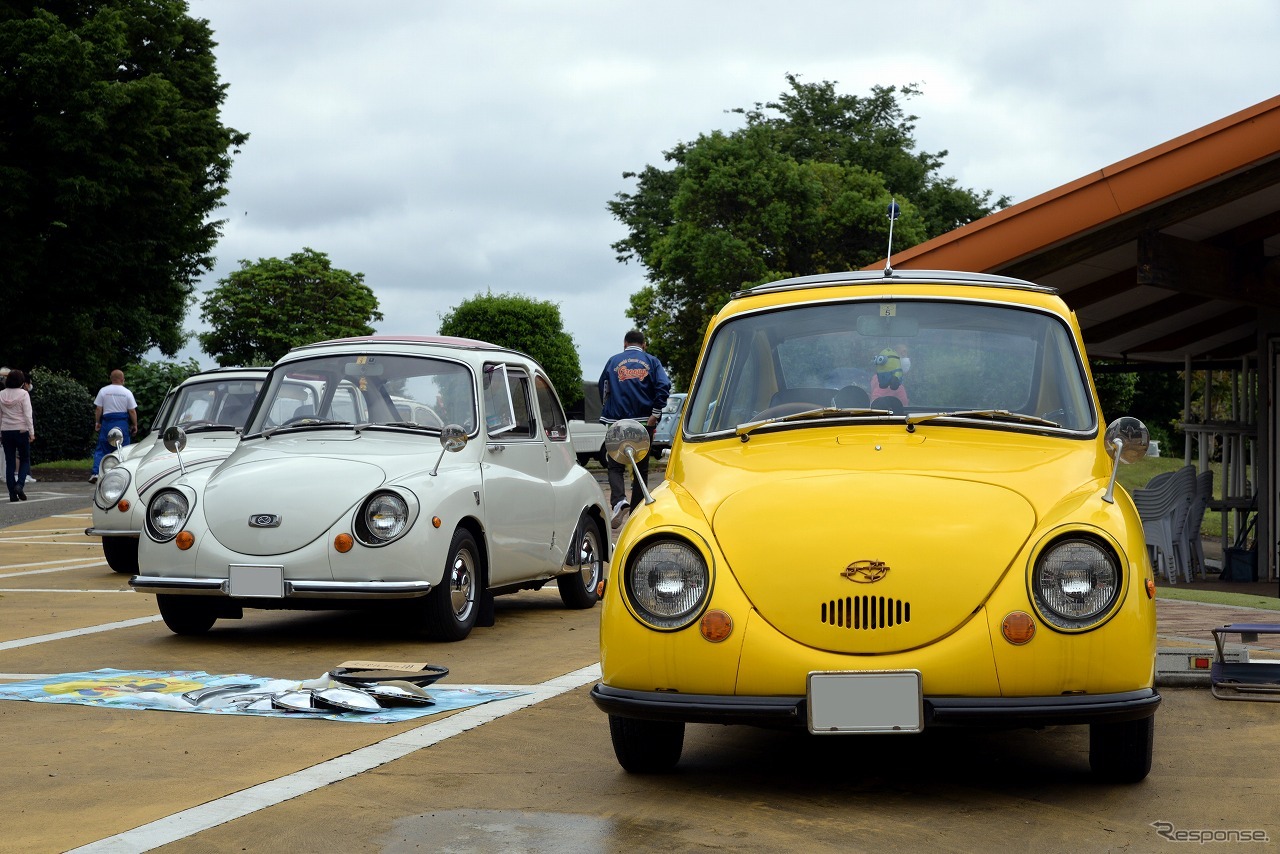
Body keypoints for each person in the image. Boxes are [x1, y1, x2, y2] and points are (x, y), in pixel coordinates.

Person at [599, 330, 671, 529]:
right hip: (643, 422)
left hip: (618, 422)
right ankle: (637, 514)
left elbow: (603, 387)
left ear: (625, 343)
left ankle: (619, 501)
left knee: (615, 466)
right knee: (641, 469)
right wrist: (655, 413)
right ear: (644, 344)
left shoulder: (613, 362)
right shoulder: (652, 362)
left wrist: (608, 411)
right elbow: (663, 386)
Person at [91, 369, 138, 483]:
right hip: (121, 422)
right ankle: (122, 472)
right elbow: (131, 411)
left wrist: (97, 422)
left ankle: (96, 473)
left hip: (107, 422)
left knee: (102, 449)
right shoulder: (127, 392)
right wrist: (135, 424)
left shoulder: (104, 391)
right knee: (123, 449)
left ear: (111, 379)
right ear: (122, 379)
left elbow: (98, 408)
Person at [1, 369, 36, 501]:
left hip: (6, 431)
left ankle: (12, 494)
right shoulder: (23, 394)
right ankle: (20, 485)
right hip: (21, 430)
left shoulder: (1, 394)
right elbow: (28, 415)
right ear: (21, 381)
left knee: (9, 463)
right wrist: (31, 433)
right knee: (25, 459)